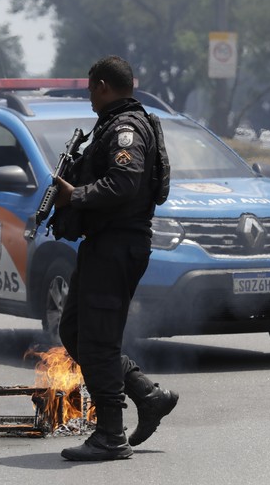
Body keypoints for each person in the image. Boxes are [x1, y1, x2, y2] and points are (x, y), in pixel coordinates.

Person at [53, 55, 179, 461]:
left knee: (98, 341)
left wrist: (76, 196)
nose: (89, 97)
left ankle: (110, 434)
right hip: (103, 245)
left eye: (91, 89)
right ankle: (147, 395)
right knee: (75, 332)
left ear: (103, 86)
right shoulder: (112, 123)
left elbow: (124, 182)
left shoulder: (126, 128)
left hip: (118, 246)